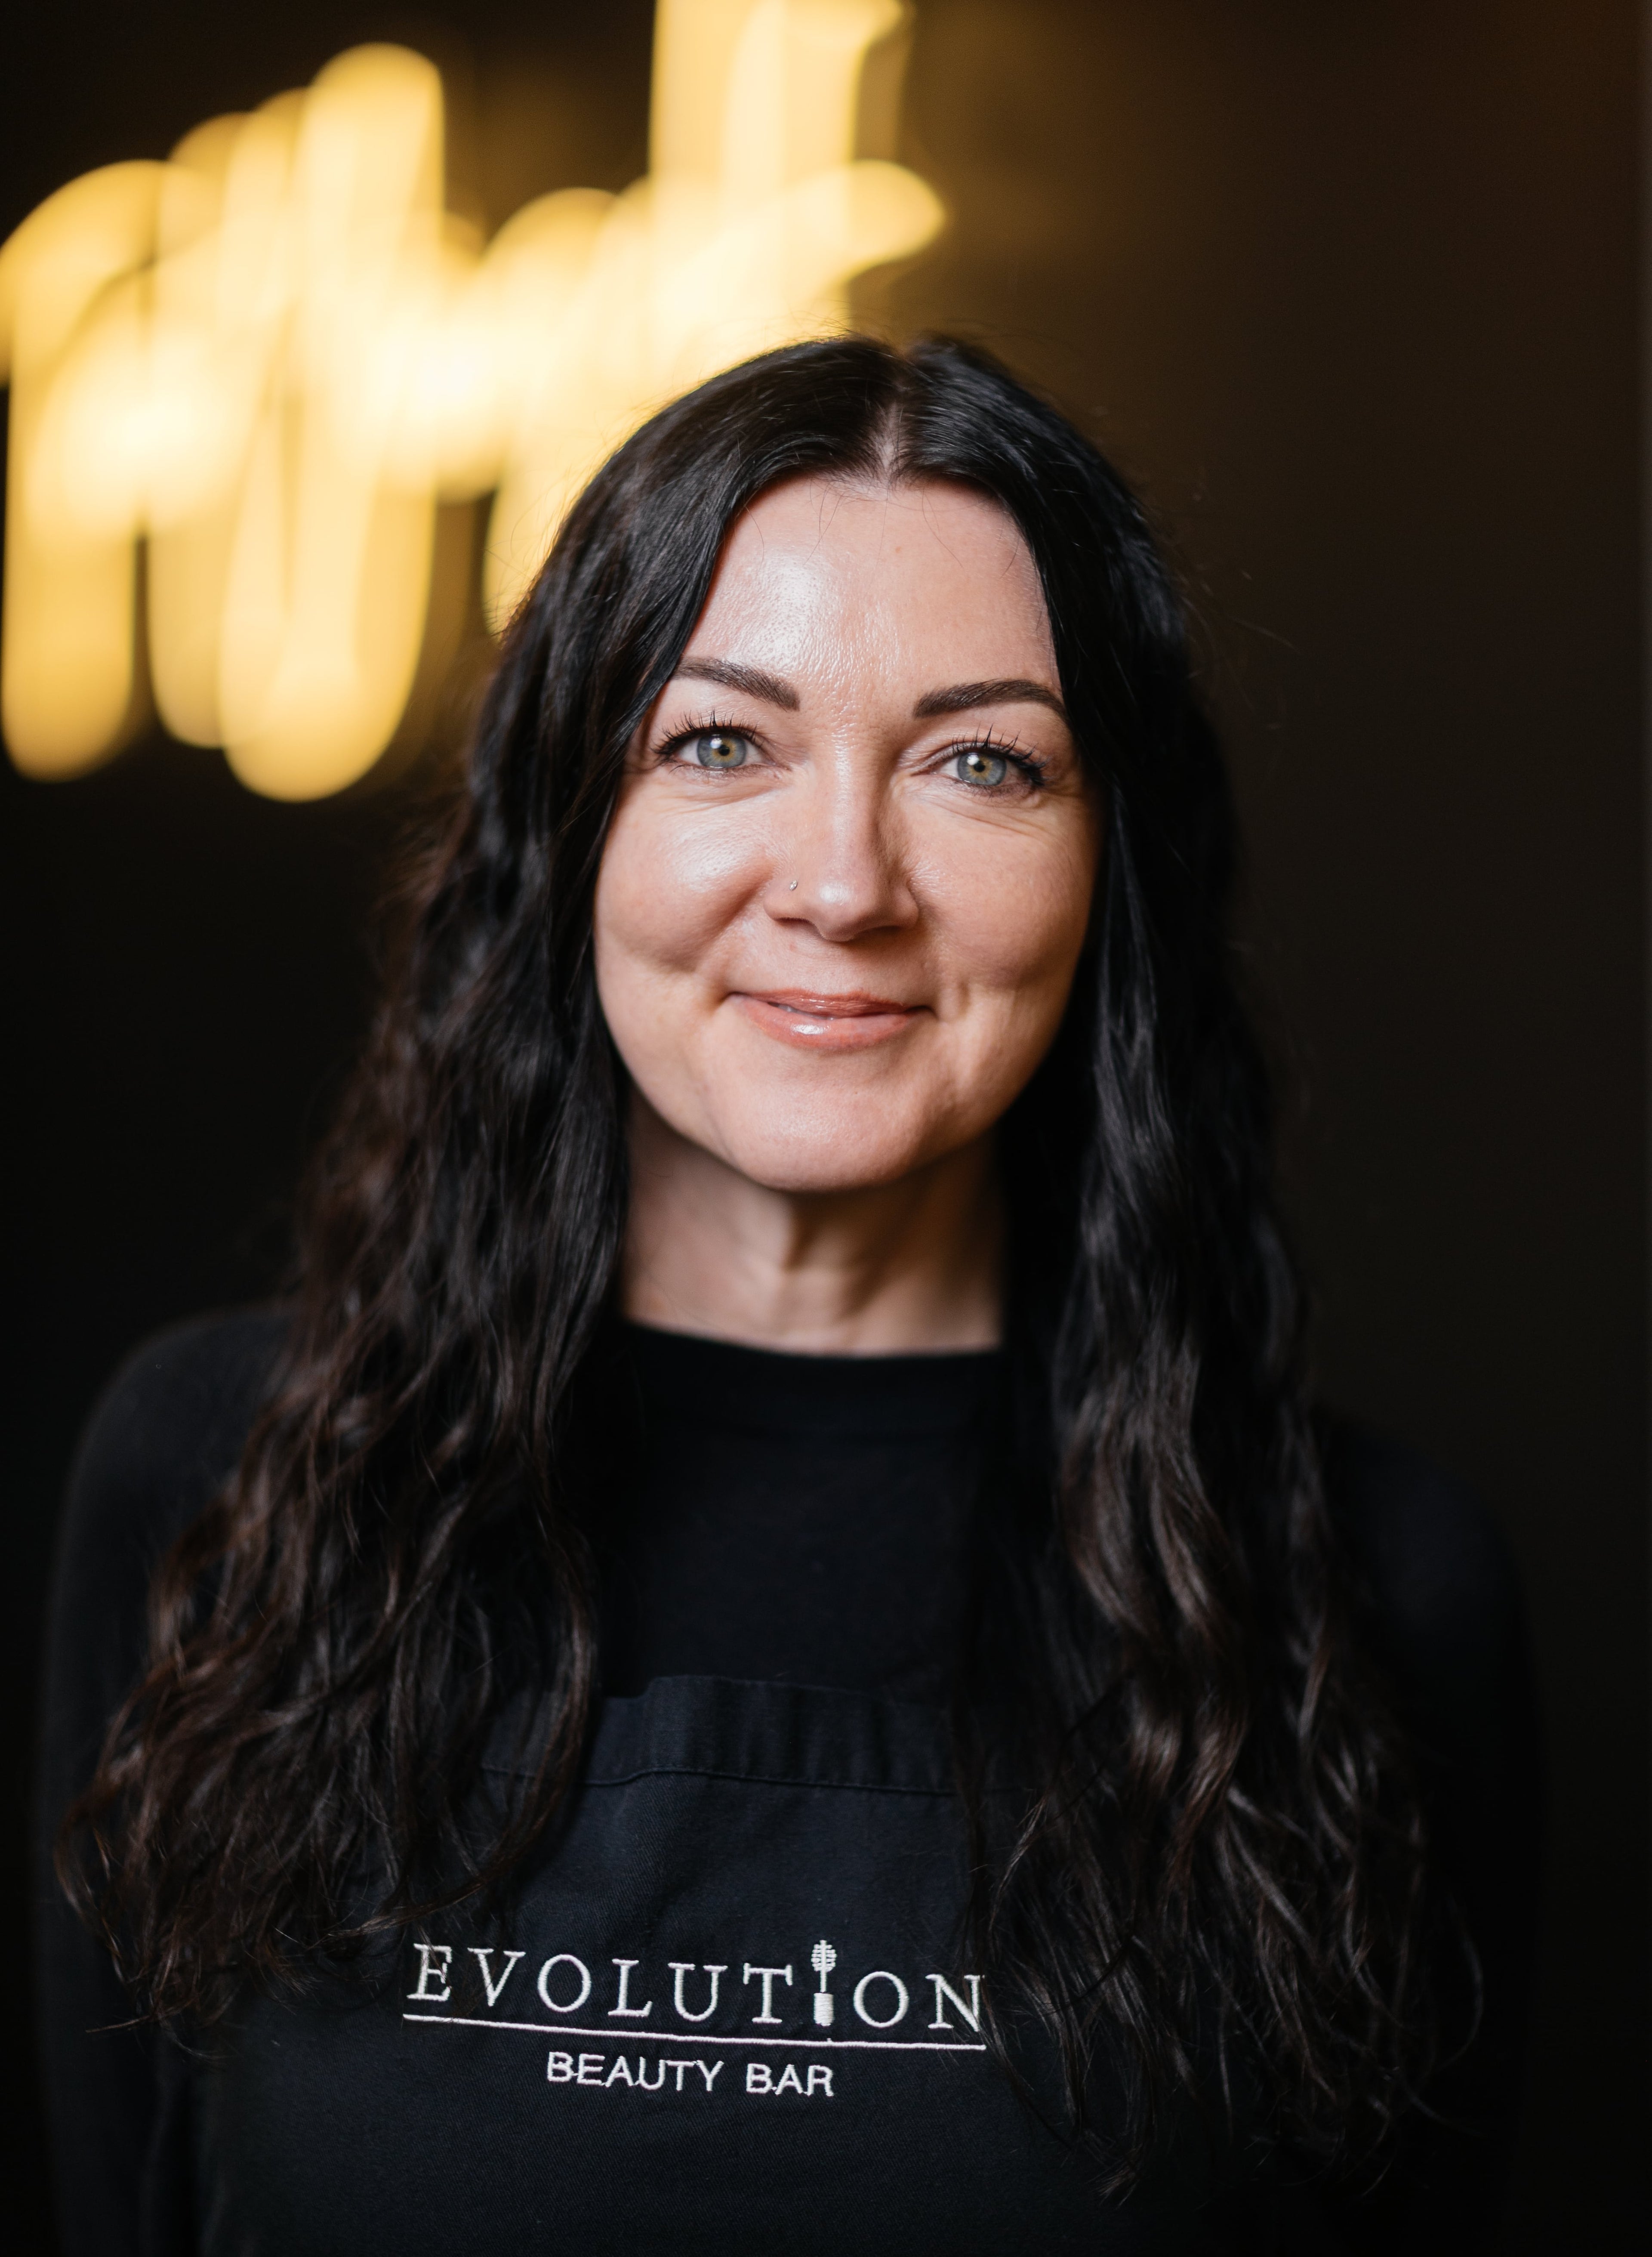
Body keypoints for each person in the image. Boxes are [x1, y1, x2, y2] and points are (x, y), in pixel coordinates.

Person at [36, 337, 1538, 2256]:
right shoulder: (214, 1483)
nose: (844, 881)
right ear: (576, 822)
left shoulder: (1374, 1592)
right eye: (721, 742)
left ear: (1110, 869)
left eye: (983, 761)